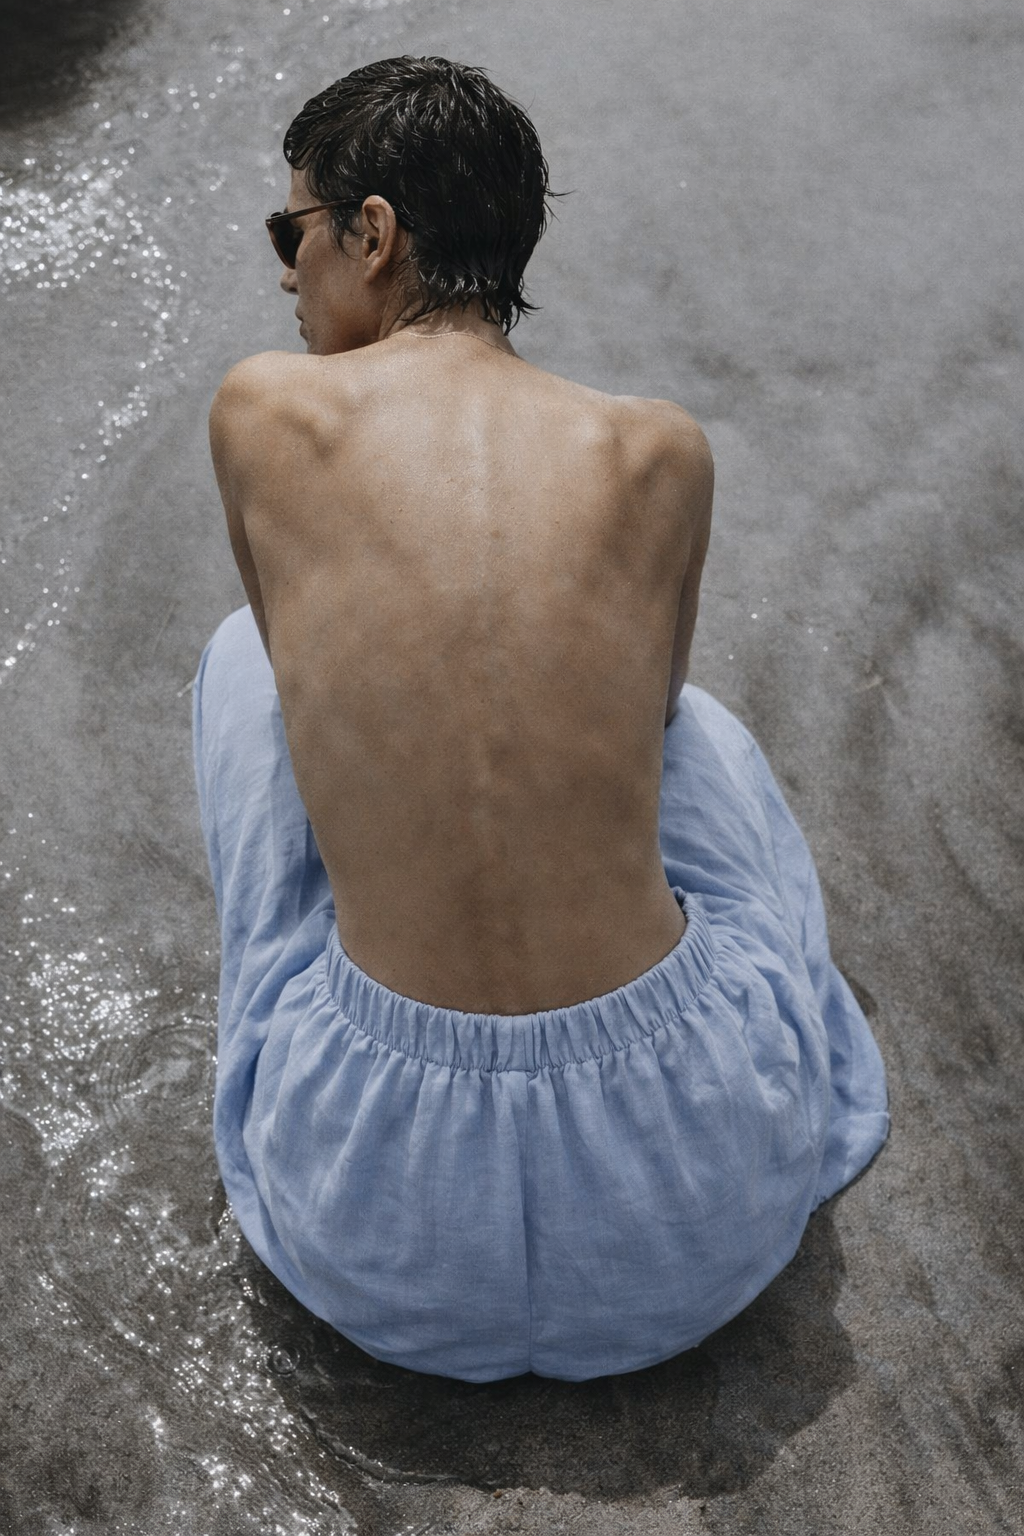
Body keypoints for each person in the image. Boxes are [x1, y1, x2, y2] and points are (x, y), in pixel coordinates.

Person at [193, 55, 888, 1382]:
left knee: (245, 663)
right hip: (693, 1208)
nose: (285, 277)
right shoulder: (658, 451)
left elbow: (306, 680)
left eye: (292, 234)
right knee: (701, 731)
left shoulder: (265, 411)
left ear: (373, 233)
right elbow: (655, 722)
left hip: (373, 1224)